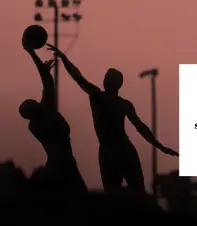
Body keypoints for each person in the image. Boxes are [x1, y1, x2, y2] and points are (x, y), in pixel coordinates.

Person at [46, 43, 178, 195]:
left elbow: (141, 128)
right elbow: (79, 78)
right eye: (105, 78)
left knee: (128, 192)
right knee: (120, 193)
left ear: (115, 84)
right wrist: (64, 59)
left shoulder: (105, 99)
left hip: (117, 149)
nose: (105, 81)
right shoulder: (104, 98)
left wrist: (160, 146)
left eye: (107, 79)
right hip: (114, 149)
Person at [19, 39, 87, 193]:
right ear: (30, 111)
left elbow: (48, 82)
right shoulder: (42, 117)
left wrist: (38, 63)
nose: (33, 99)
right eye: (29, 102)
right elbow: (47, 83)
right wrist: (32, 54)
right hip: (61, 166)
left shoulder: (40, 117)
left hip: (62, 164)